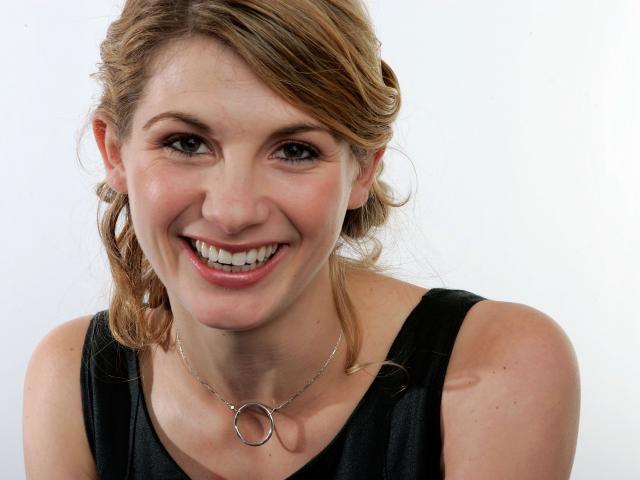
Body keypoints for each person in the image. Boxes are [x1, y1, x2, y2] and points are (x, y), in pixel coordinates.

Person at [23, 1, 580, 478]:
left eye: (294, 151)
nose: (234, 212)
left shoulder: (498, 365)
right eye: (187, 143)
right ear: (113, 151)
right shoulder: (69, 380)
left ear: (363, 170)